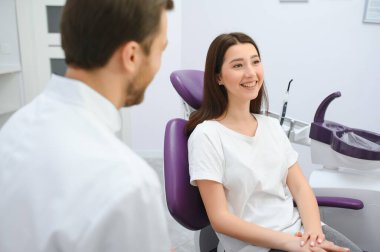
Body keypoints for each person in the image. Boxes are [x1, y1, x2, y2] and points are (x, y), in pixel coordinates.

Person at [0, 0, 174, 251]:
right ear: (132, 56)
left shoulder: (15, 128)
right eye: (161, 50)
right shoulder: (129, 183)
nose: (159, 65)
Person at [186, 32, 361, 252]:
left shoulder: (271, 126)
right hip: (255, 244)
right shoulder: (207, 135)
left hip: (297, 230)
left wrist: (314, 232)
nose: (251, 73)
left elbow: (300, 188)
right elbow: (220, 218)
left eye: (255, 62)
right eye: (238, 65)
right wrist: (290, 243)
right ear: (218, 77)